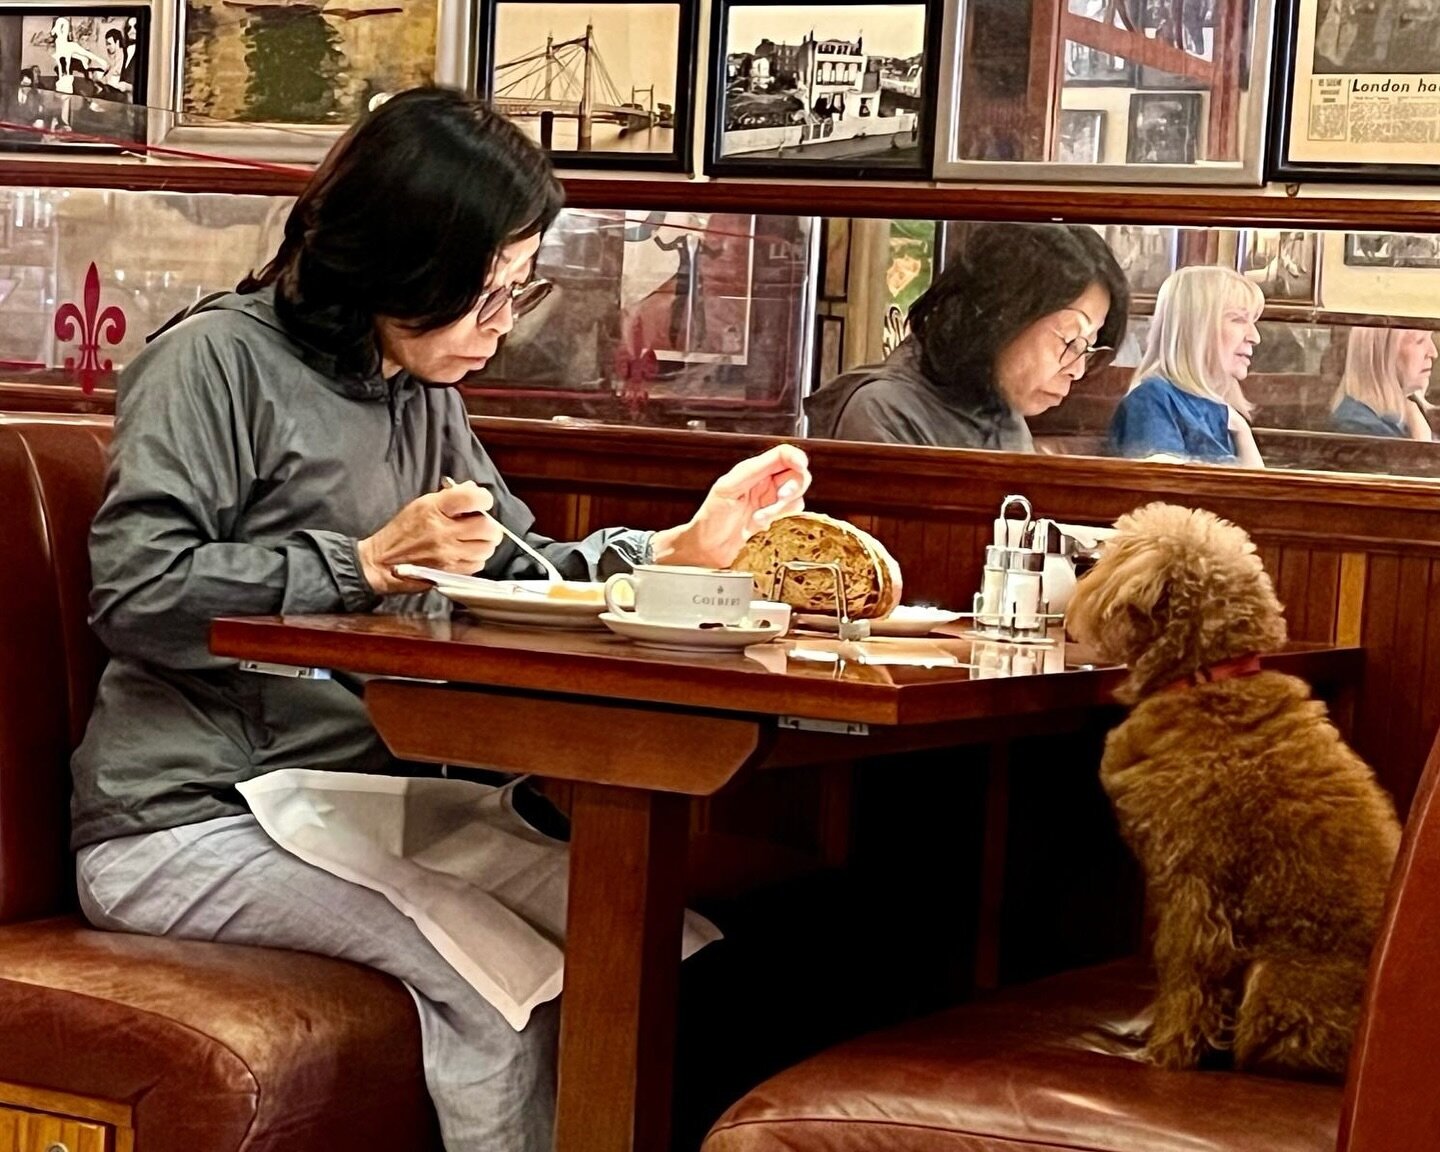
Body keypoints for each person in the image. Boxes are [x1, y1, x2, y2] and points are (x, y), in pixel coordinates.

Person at [68, 88, 810, 1152]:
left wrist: (676, 554)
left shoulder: (419, 390)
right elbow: (137, 591)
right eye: (486, 294)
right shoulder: (211, 364)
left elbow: (520, 571)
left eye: (518, 292)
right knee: (497, 984)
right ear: (398, 262)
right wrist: (363, 565)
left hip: (371, 805)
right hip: (191, 818)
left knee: (653, 952)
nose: (502, 326)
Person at [805, 222, 1128, 450]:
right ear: (1000, 315)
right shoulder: (883, 410)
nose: (1077, 369)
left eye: (1087, 347)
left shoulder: (1001, 409)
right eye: (1069, 339)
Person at [1109, 264, 1266, 467]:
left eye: (1253, 321)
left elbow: (1256, 489)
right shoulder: (1152, 399)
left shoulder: (1218, 407)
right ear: (1196, 329)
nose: (1255, 337)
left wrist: (1242, 430)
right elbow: (1166, 487)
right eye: (1238, 319)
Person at [1329, 326, 1437, 440]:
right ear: (1383, 352)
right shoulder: (1358, 429)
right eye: (1419, 341)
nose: (1433, 353)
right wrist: (1422, 441)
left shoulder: (1405, 409)